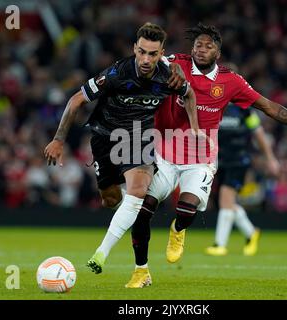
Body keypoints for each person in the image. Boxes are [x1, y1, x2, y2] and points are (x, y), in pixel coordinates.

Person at [125, 23, 287, 288]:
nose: (201, 50)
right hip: (165, 153)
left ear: (218, 52)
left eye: (208, 46)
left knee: (187, 208)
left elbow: (269, 107)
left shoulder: (231, 81)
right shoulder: (174, 62)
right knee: (143, 210)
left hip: (201, 158)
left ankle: (178, 229)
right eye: (198, 45)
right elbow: (146, 61)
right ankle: (140, 271)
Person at [43, 22, 198, 274]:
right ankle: (130, 209)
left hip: (139, 136)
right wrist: (59, 139)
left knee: (138, 189)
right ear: (134, 48)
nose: (146, 59)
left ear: (161, 53)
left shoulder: (170, 76)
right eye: (142, 52)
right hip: (105, 137)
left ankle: (100, 254)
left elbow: (189, 94)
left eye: (152, 53)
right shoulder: (117, 73)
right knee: (110, 198)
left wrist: (194, 127)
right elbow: (75, 100)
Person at [205, 103, 280, 257]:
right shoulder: (214, 106)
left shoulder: (244, 110)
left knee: (225, 199)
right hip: (219, 161)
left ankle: (220, 244)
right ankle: (251, 233)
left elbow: (258, 133)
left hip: (238, 161)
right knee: (229, 202)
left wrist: (270, 158)